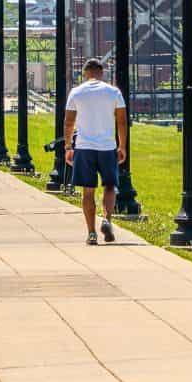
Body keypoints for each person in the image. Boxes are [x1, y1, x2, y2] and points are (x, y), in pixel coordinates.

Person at [64, 58, 129, 246]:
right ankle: (107, 219)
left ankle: (91, 233)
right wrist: (122, 146)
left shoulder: (76, 92)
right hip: (107, 147)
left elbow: (68, 123)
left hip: (84, 147)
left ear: (85, 73)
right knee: (109, 186)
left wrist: (68, 147)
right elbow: (122, 121)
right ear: (101, 72)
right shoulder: (113, 92)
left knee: (88, 191)